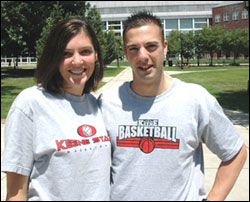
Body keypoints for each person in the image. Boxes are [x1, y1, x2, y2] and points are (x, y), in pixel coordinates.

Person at [98, 11, 247, 201]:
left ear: (165, 47)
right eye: (134, 48)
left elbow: (236, 152)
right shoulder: (108, 102)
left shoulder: (195, 99)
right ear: (126, 52)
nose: (143, 56)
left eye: (151, 46)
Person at [1, 18, 111, 201]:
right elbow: (15, 192)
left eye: (85, 52)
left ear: (96, 56)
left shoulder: (95, 105)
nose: (77, 61)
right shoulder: (30, 103)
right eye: (66, 53)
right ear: (53, 57)